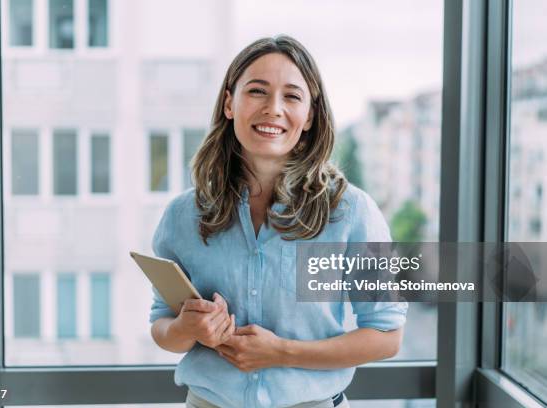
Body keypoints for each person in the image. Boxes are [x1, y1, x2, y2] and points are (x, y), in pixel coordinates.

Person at [149, 35, 408, 408]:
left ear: (309, 117)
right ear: (229, 104)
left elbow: (387, 336)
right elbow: (163, 327)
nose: (273, 109)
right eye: (257, 91)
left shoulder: (351, 213)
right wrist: (185, 329)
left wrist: (282, 352)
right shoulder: (183, 216)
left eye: (292, 96)